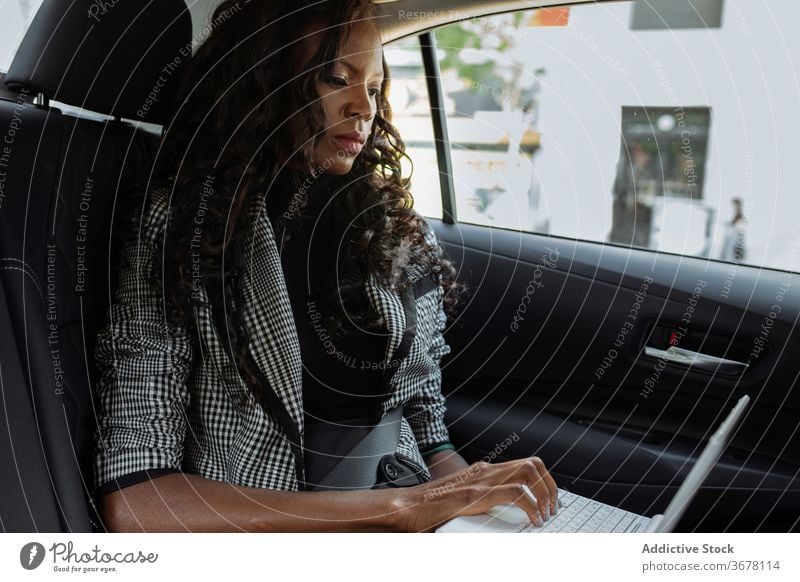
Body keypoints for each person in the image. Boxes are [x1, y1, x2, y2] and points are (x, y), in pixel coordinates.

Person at [92, 0, 558, 532]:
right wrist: (403, 510)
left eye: (376, 87)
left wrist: (476, 509)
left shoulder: (388, 220)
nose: (365, 107)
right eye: (337, 78)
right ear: (265, 78)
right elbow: (136, 500)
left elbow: (426, 422)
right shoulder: (183, 228)